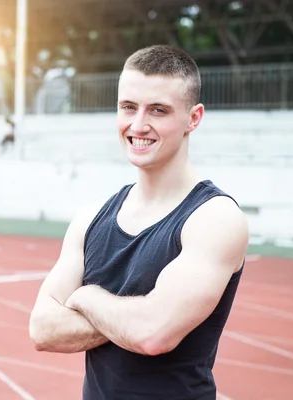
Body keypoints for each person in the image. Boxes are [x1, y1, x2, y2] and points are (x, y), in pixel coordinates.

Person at [28, 44, 249, 400]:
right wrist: (135, 314)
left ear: (194, 118)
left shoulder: (214, 218)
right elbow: (42, 330)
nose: (138, 125)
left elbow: (153, 334)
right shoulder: (90, 219)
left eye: (158, 110)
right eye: (128, 107)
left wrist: (86, 296)